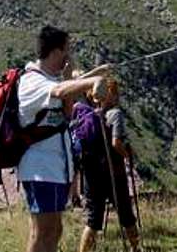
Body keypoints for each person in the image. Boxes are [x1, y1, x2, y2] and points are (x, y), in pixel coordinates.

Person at [18, 25, 110, 252]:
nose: (69, 56)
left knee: (54, 229)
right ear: (56, 52)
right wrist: (91, 81)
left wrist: (88, 76)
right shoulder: (33, 81)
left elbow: (67, 113)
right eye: (67, 50)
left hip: (54, 166)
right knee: (44, 231)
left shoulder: (51, 79)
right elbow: (59, 91)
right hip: (40, 167)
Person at [77, 78, 139, 252]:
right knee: (126, 214)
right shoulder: (115, 114)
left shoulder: (87, 114)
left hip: (91, 174)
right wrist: (127, 155)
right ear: (109, 94)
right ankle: (135, 249)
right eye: (116, 92)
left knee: (93, 219)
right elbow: (116, 143)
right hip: (113, 173)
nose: (118, 96)